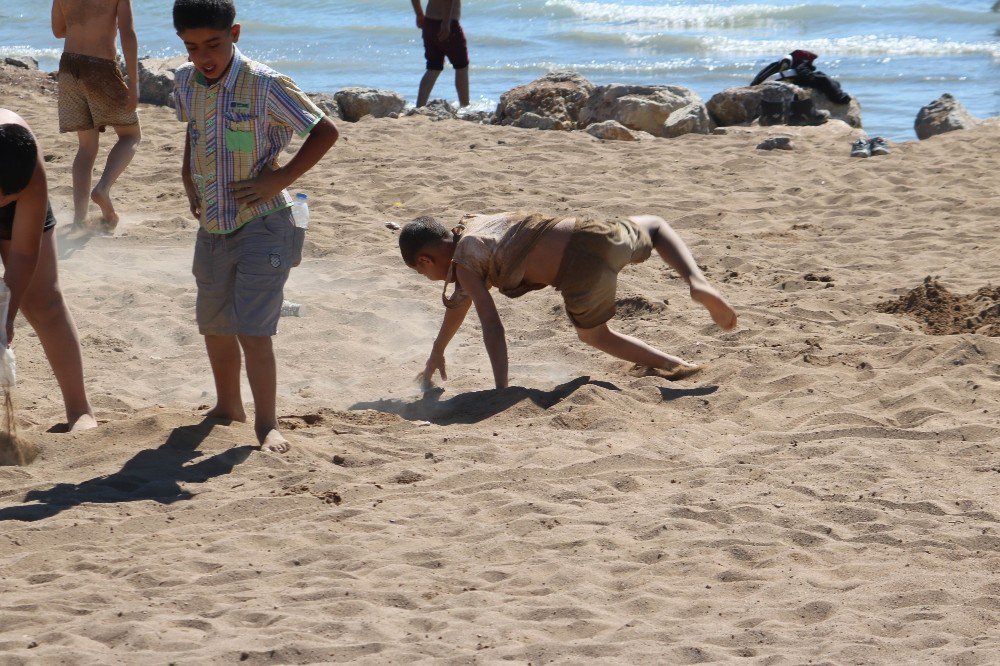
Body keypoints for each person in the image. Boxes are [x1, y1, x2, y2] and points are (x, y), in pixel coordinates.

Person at [171, 0, 339, 453]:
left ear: (236, 34)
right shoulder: (186, 81)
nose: (203, 56)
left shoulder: (265, 84)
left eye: (214, 44)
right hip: (212, 224)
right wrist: (189, 181)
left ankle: (267, 425)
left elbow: (325, 132)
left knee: (253, 328)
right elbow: (193, 133)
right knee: (214, 323)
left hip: (264, 224)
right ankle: (229, 407)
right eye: (191, 46)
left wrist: (280, 179)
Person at [399, 212, 738, 390]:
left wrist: (501, 388)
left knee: (595, 335)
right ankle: (696, 282)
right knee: (656, 226)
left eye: (421, 273)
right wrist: (436, 353)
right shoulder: (472, 225)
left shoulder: (463, 264)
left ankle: (670, 363)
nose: (429, 279)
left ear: (426, 261)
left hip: (578, 274)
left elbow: (492, 325)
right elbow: (458, 307)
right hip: (590, 233)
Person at [0, 110, 97, 431]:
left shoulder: (25, 164)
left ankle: (80, 410)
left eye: (6, 198)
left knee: (45, 300)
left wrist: (7, 318)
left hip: (20, 191)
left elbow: (25, 253)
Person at [51, 0, 142, 231]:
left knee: (86, 148)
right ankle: (103, 188)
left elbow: (58, 30)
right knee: (130, 135)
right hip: (100, 67)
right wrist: (134, 81)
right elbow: (128, 33)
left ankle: (79, 220)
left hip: (69, 67)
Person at [410, 0, 470, 108]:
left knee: (433, 68)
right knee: (461, 67)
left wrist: (419, 14)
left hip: (429, 23)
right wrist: (446, 23)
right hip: (446, 24)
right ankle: (465, 107)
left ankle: (419, 107)